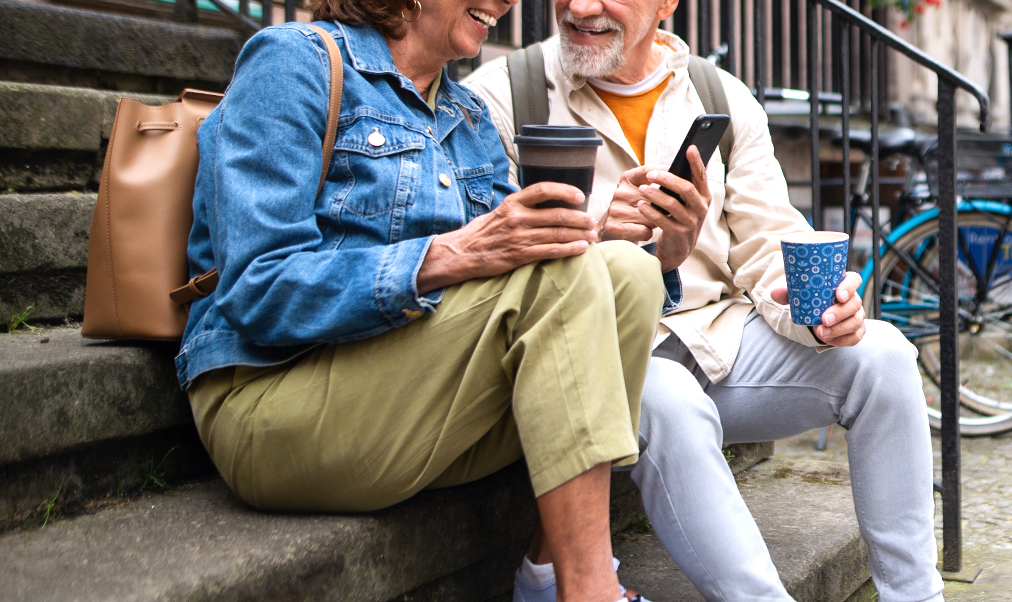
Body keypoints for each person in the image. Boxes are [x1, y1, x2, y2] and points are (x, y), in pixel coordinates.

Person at [175, 0, 682, 599]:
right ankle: (592, 591)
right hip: (274, 399)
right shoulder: (295, 63)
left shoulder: (465, 114)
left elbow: (520, 274)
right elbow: (258, 290)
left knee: (627, 272)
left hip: (409, 393)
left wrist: (635, 243)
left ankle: (547, 576)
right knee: (565, 279)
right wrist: (450, 255)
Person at [464, 0, 944, 600]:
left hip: (717, 336)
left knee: (885, 354)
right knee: (669, 399)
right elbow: (489, 270)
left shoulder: (721, 96)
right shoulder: (501, 94)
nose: (581, 7)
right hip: (594, 362)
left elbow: (771, 244)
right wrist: (615, 243)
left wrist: (820, 313)